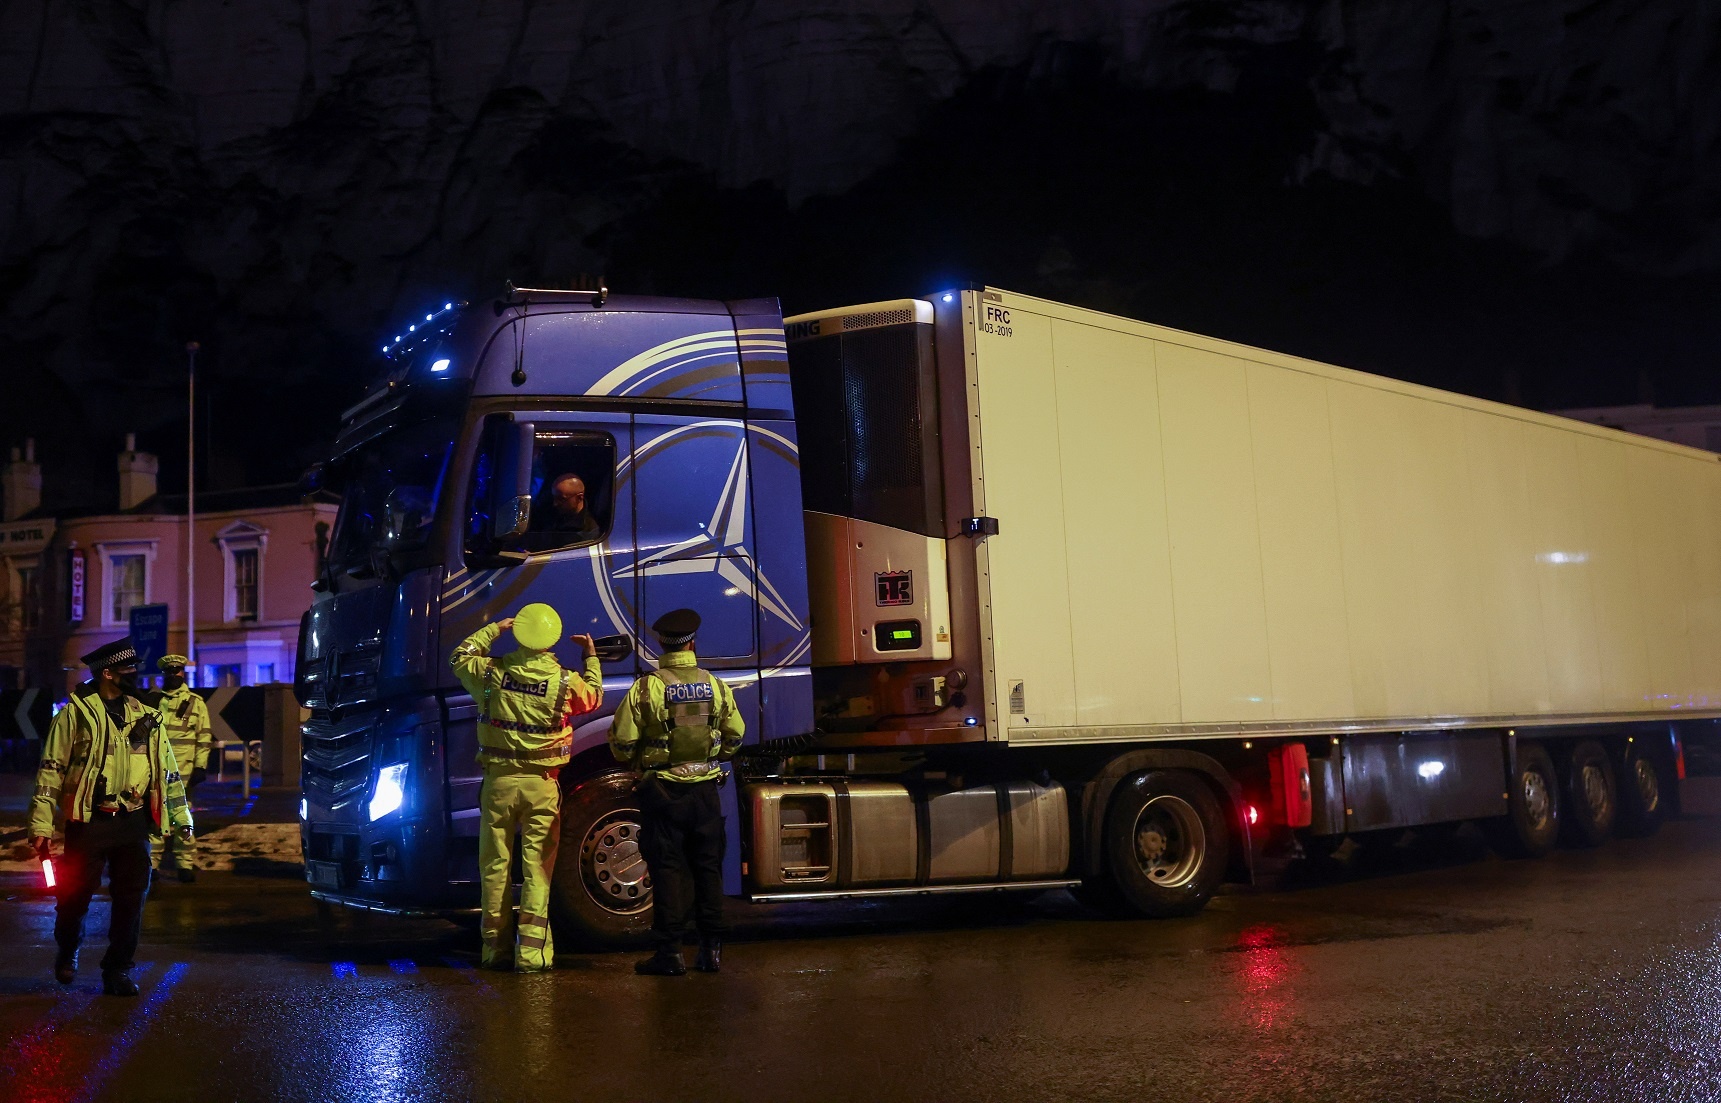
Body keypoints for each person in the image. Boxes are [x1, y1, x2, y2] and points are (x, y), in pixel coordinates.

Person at [28, 638, 193, 996]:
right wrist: (41, 823)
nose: (135, 677)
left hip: (132, 822)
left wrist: (181, 816)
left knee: (131, 900)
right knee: (74, 897)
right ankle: (68, 948)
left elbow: (168, 770)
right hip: (89, 824)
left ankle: (117, 969)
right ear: (107, 674)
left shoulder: (146, 715)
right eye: (127, 671)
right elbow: (51, 771)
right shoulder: (75, 714)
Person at [451, 602, 602, 971]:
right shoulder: (566, 683)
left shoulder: (490, 674)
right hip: (541, 786)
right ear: (551, 640)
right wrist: (592, 656)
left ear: (518, 633)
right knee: (536, 869)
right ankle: (531, 954)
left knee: (494, 867)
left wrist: (494, 630)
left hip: (499, 786)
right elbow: (594, 697)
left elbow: (460, 656)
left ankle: (493, 950)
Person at [609, 608, 745, 976]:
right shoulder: (715, 686)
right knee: (708, 867)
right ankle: (710, 951)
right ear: (693, 642)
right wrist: (715, 757)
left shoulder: (647, 687)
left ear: (660, 643)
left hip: (662, 791)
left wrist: (638, 762)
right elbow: (735, 735)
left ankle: (670, 954)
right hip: (706, 793)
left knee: (667, 869)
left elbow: (622, 740)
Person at [147, 654, 211, 883]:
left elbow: (203, 737)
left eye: (177, 671)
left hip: (184, 772)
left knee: (183, 818)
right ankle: (152, 865)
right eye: (169, 672)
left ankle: (185, 864)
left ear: (183, 673)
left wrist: (200, 766)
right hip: (156, 769)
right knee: (156, 816)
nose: (173, 675)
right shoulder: (153, 700)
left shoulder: (196, 702)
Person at [538, 473, 601, 542]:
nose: (555, 504)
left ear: (579, 498)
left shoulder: (589, 531)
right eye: (554, 498)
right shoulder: (553, 513)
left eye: (561, 499)